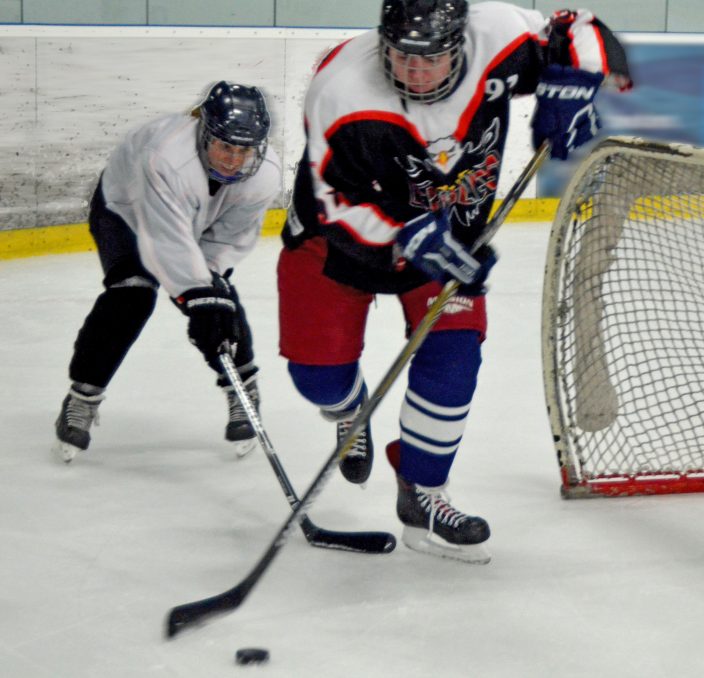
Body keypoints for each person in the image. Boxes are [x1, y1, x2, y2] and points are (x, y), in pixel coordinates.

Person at [279, 0, 631, 563]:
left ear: (461, 44)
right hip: (342, 237)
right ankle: (349, 410)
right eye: (401, 57)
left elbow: (581, 29)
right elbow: (332, 199)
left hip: (451, 239)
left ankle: (423, 488)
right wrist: (407, 235)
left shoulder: (499, 35)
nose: (414, 72)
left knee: (455, 357)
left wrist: (574, 84)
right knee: (319, 379)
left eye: (432, 59)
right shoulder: (342, 89)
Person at [52, 81, 282, 463]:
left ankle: (242, 388)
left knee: (217, 296)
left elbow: (227, 240)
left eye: (244, 150)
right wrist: (196, 294)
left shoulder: (265, 173)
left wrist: (209, 290)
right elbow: (165, 242)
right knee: (132, 294)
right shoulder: (165, 156)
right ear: (205, 134)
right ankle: (82, 396)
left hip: (195, 219)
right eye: (226, 146)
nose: (233, 159)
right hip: (125, 211)